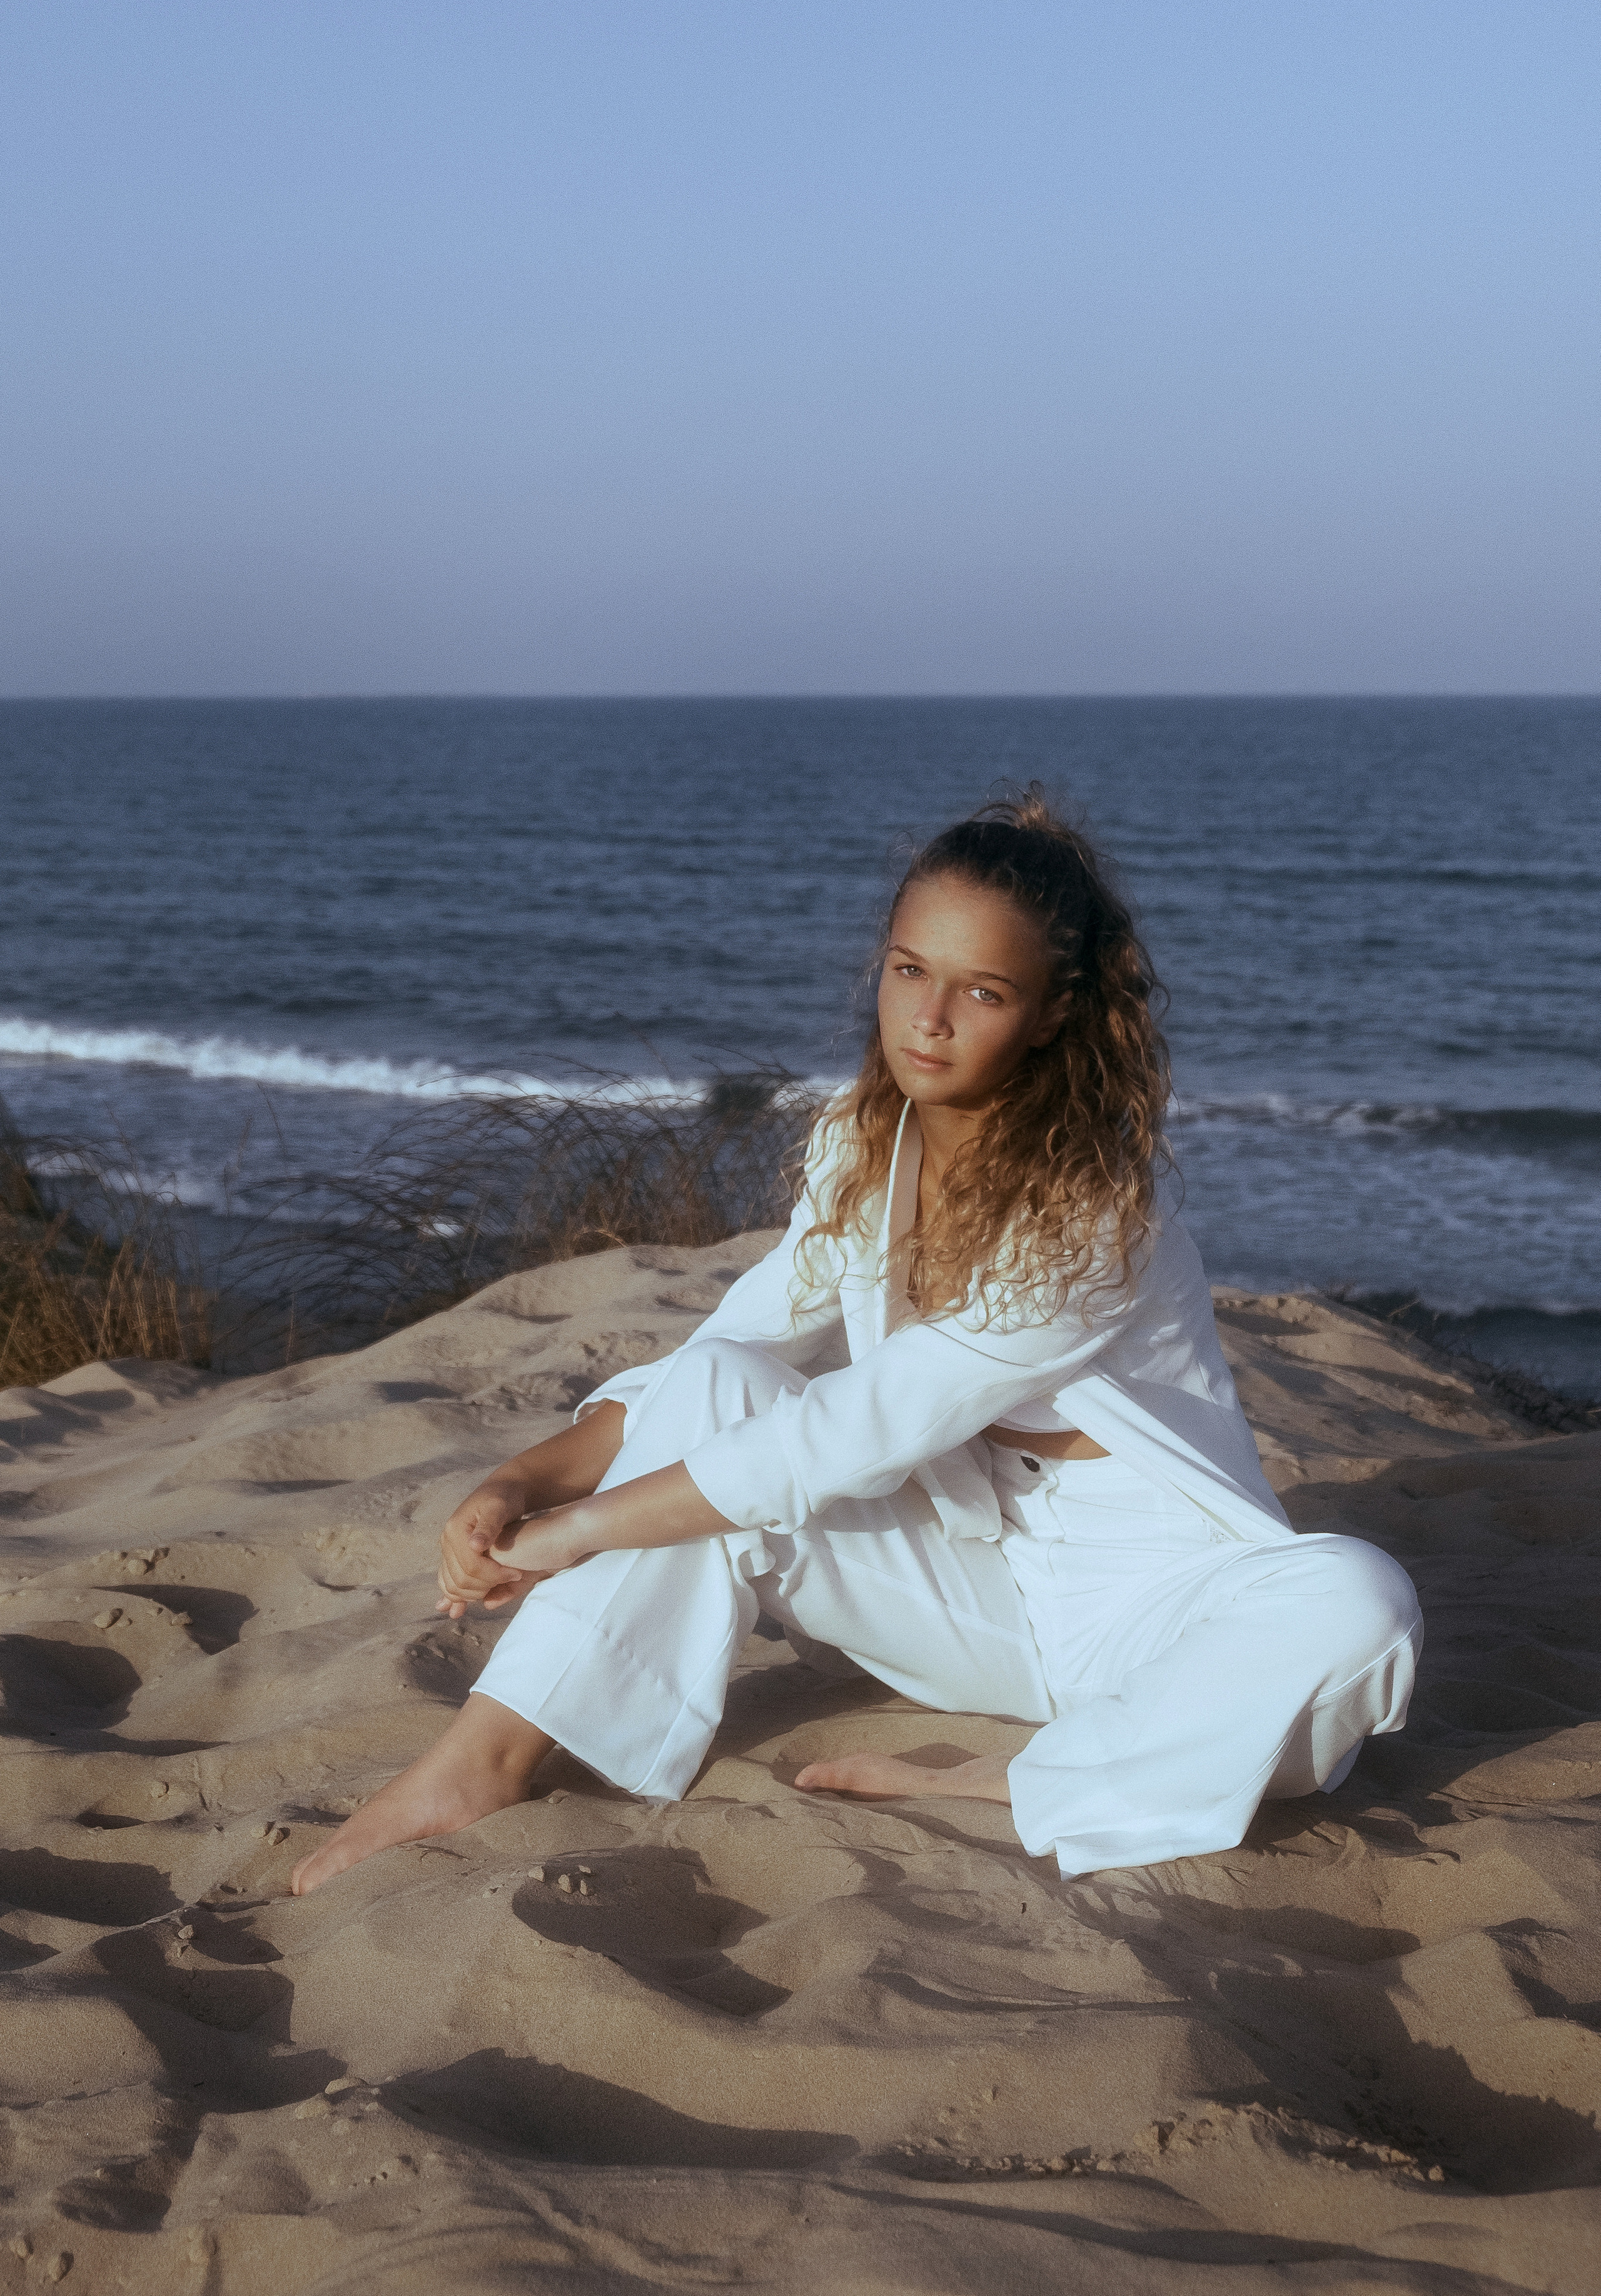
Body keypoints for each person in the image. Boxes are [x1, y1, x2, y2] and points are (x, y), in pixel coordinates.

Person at [293, 791, 1420, 1898]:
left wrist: (569, 1535)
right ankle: (485, 1759)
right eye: (909, 970)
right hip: (973, 1593)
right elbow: (731, 1349)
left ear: (1052, 1015)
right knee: (726, 1380)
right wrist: (521, 1483)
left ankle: (1021, 1780)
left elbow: (855, 1432)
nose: (929, 1018)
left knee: (1360, 1600)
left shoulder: (1096, 1216)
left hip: (1159, 1614)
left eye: (983, 991)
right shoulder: (862, 1139)